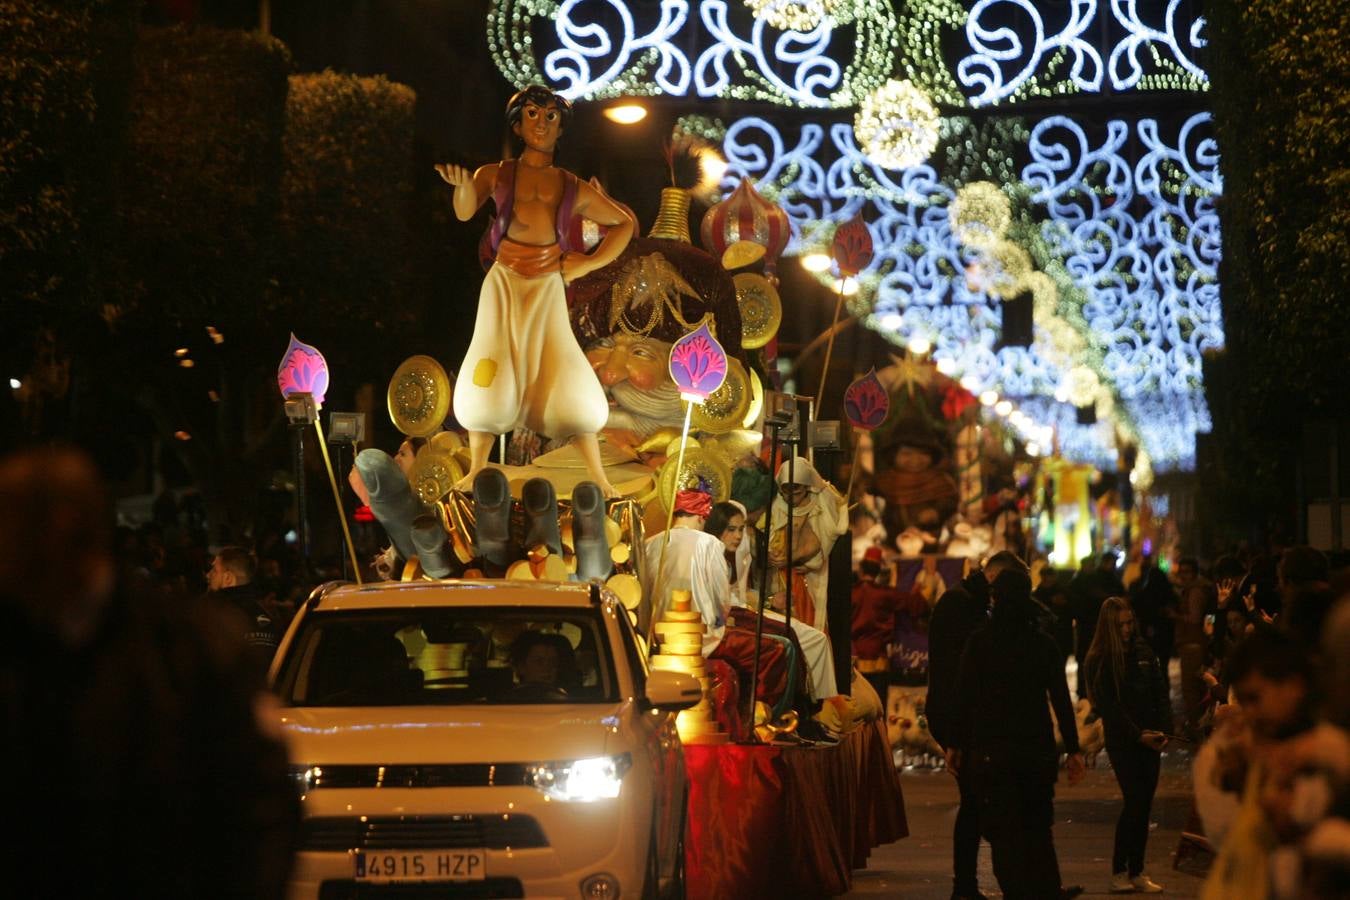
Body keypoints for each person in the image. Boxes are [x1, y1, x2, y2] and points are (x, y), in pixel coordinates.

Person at [0, 445, 299, 898]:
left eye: (12, 533)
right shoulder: (20, 643)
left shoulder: (189, 648)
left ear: (61, 529)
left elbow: (260, 801)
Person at [436, 85, 635, 496]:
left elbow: (624, 224)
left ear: (561, 127)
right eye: (531, 114)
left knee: (562, 363)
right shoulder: (495, 174)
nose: (541, 124)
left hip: (547, 283)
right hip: (504, 279)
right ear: (517, 124)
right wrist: (462, 188)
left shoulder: (571, 185)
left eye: (550, 117)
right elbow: (465, 212)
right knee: (490, 358)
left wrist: (588, 262)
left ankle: (597, 475)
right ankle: (477, 468)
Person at [950, 558, 1086, 900]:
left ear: (996, 598)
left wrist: (956, 744)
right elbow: (1061, 699)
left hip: (993, 753)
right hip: (1035, 752)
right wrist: (1073, 748)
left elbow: (964, 698)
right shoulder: (1042, 644)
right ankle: (1045, 890)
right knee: (1037, 830)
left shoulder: (981, 643)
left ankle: (1020, 891)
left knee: (1004, 835)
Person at [642, 487, 792, 716]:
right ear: (702, 517)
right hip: (700, 635)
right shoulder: (709, 544)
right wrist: (722, 621)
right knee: (774, 651)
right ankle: (758, 718)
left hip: (658, 634)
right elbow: (720, 596)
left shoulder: (651, 543)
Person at [926, 550, 1018, 900]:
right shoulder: (961, 606)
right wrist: (957, 737)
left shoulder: (969, 601)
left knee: (978, 802)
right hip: (958, 718)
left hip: (960, 718)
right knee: (977, 802)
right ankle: (969, 885)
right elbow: (960, 676)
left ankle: (971, 885)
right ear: (995, 579)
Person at [707, 500, 840, 704]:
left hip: (744, 610)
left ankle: (823, 704)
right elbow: (718, 600)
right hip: (726, 619)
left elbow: (741, 594)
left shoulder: (737, 556)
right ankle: (798, 705)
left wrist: (768, 601)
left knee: (816, 638)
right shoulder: (708, 557)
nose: (738, 536)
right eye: (731, 529)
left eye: (741, 529)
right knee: (785, 641)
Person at [1084, 597, 1172, 894]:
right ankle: (1120, 870)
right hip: (1124, 740)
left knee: (1144, 804)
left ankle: (1137, 870)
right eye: (1121, 625)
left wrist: (1165, 729)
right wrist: (1137, 734)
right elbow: (1109, 706)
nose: (1126, 629)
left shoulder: (1142, 651)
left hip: (1149, 736)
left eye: (1129, 623)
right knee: (1134, 800)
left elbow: (1159, 690)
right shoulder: (1101, 659)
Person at [767, 455, 848, 632]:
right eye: (786, 491)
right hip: (782, 576)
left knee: (811, 620)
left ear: (806, 487)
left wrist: (798, 558)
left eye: (796, 491)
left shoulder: (821, 503)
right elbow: (771, 539)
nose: (791, 496)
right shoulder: (777, 506)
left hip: (812, 575)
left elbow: (821, 541)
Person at [206, 545, 282, 678]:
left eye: (214, 570)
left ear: (228, 578)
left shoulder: (214, 616)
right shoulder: (268, 616)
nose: (208, 575)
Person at [1173, 557, 1216, 738]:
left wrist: (1174, 615)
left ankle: (1195, 727)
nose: (1183, 576)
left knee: (1191, 689)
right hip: (1198, 643)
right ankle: (1199, 726)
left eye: (1187, 572)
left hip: (1193, 644)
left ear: (1194, 573)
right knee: (1198, 689)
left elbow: (1195, 618)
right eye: (1181, 572)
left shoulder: (1195, 591)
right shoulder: (1201, 588)